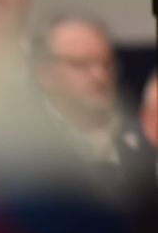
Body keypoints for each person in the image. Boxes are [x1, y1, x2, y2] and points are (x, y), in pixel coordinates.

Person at [34, 16, 155, 185]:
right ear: (45, 73)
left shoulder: (143, 139)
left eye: (106, 64)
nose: (100, 76)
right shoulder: (22, 145)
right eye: (82, 64)